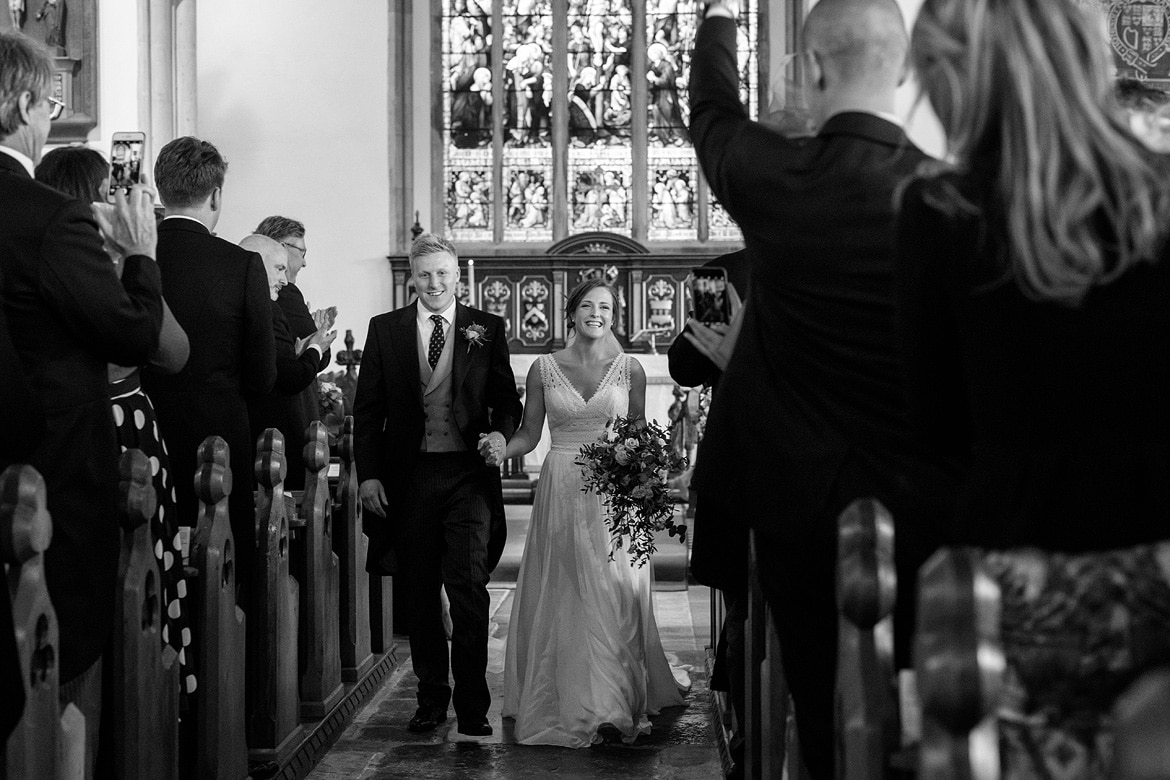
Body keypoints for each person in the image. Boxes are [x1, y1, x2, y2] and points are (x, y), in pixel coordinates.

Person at [687, 2, 961, 774]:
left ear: (810, 72)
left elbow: (710, 108)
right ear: (906, 72)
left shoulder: (778, 181)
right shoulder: (951, 195)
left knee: (821, 718)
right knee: (920, 711)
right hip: (925, 503)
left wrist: (717, 18)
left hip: (796, 506)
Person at [899, 0, 1170, 766]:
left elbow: (936, 435)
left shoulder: (940, 211)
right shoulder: (1160, 192)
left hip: (1022, 597)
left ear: (962, 76)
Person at [0, 31, 163, 776]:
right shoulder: (46, 216)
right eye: (49, 102)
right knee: (56, 687)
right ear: (23, 103)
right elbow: (128, 328)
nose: (51, 117)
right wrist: (140, 256)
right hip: (48, 481)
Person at [35, 144, 199, 715]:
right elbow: (173, 351)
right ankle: (145, 712)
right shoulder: (101, 263)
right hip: (121, 429)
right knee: (140, 574)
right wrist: (135, 262)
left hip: (46, 440)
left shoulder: (35, 249)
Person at [488, 278, 687, 748]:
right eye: (588, 306)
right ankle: (573, 694)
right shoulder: (543, 368)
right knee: (567, 589)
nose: (596, 313)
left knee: (612, 591)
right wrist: (500, 447)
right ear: (572, 312)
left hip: (613, 494)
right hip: (560, 485)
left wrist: (647, 475)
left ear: (613, 316)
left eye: (605, 307)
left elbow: (637, 433)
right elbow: (530, 433)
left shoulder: (630, 370)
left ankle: (612, 700)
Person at [353, 233, 521, 742]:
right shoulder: (385, 330)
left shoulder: (485, 328)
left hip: (467, 474)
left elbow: (507, 400)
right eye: (425, 274)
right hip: (410, 476)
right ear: (412, 276)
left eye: (443, 273)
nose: (434, 283)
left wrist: (501, 432)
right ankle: (431, 699)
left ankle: (473, 704)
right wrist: (370, 474)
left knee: (467, 586)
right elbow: (368, 410)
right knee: (420, 590)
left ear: (456, 275)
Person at [144, 136, 276, 604]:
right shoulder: (242, 265)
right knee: (223, 569)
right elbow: (263, 376)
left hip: (146, 440)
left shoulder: (133, 257)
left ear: (161, 189)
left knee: (150, 567)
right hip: (219, 441)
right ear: (216, 195)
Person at [666, 248, 749, 773]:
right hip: (755, 461)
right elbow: (687, 367)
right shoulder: (722, 273)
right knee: (746, 597)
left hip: (754, 456)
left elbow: (686, 364)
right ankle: (749, 712)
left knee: (747, 596)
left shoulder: (722, 272)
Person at [253, 216, 335, 489]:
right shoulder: (286, 294)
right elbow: (308, 361)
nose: (303, 262)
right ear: (280, 246)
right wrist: (319, 343)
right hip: (287, 418)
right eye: (301, 252)